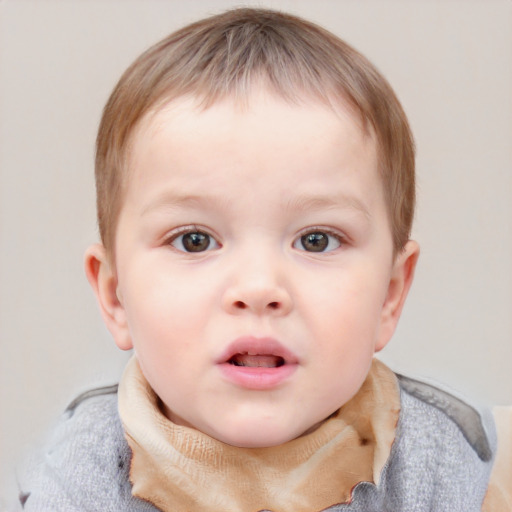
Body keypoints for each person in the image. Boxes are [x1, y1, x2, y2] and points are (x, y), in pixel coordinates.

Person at [19, 8, 496, 511]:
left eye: (316, 240)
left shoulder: (441, 463)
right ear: (116, 297)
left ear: (390, 295)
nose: (258, 287)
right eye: (194, 241)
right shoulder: (81, 477)